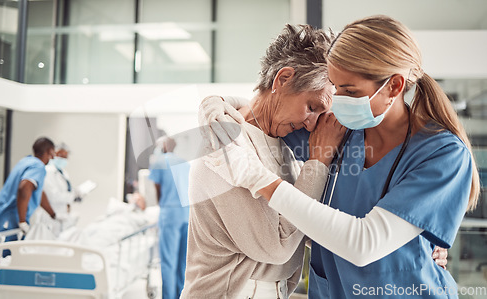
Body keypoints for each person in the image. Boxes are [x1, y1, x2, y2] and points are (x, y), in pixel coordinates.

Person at [204, 15, 478, 298]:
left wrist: (258, 179)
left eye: (350, 91)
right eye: (335, 86)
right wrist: (214, 106)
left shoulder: (442, 154)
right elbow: (262, 115)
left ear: (394, 87)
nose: (338, 99)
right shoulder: (335, 131)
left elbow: (364, 244)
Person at [182, 24, 339, 299]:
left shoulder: (285, 143)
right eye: (312, 106)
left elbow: (306, 225)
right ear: (283, 79)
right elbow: (276, 246)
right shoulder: (224, 144)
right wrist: (318, 161)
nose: (312, 123)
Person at [0, 137, 57, 255]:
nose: (54, 157)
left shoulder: (26, 161)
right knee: (0, 262)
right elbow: (24, 187)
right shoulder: (38, 167)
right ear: (49, 151)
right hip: (7, 220)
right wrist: (22, 221)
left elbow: (39, 193)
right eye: (53, 153)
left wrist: (53, 214)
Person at [149, 136, 190, 299]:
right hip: (187, 214)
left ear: (163, 146)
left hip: (170, 214)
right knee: (182, 262)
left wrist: (162, 202)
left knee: (168, 261)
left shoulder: (159, 162)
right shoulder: (185, 163)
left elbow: (157, 189)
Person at [30, 142, 79, 237]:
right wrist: (73, 196)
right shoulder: (47, 171)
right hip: (49, 217)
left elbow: (66, 191)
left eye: (66, 157)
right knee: (48, 244)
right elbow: (53, 196)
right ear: (54, 154)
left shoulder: (63, 172)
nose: (64, 159)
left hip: (61, 216)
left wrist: (76, 194)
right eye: (61, 156)